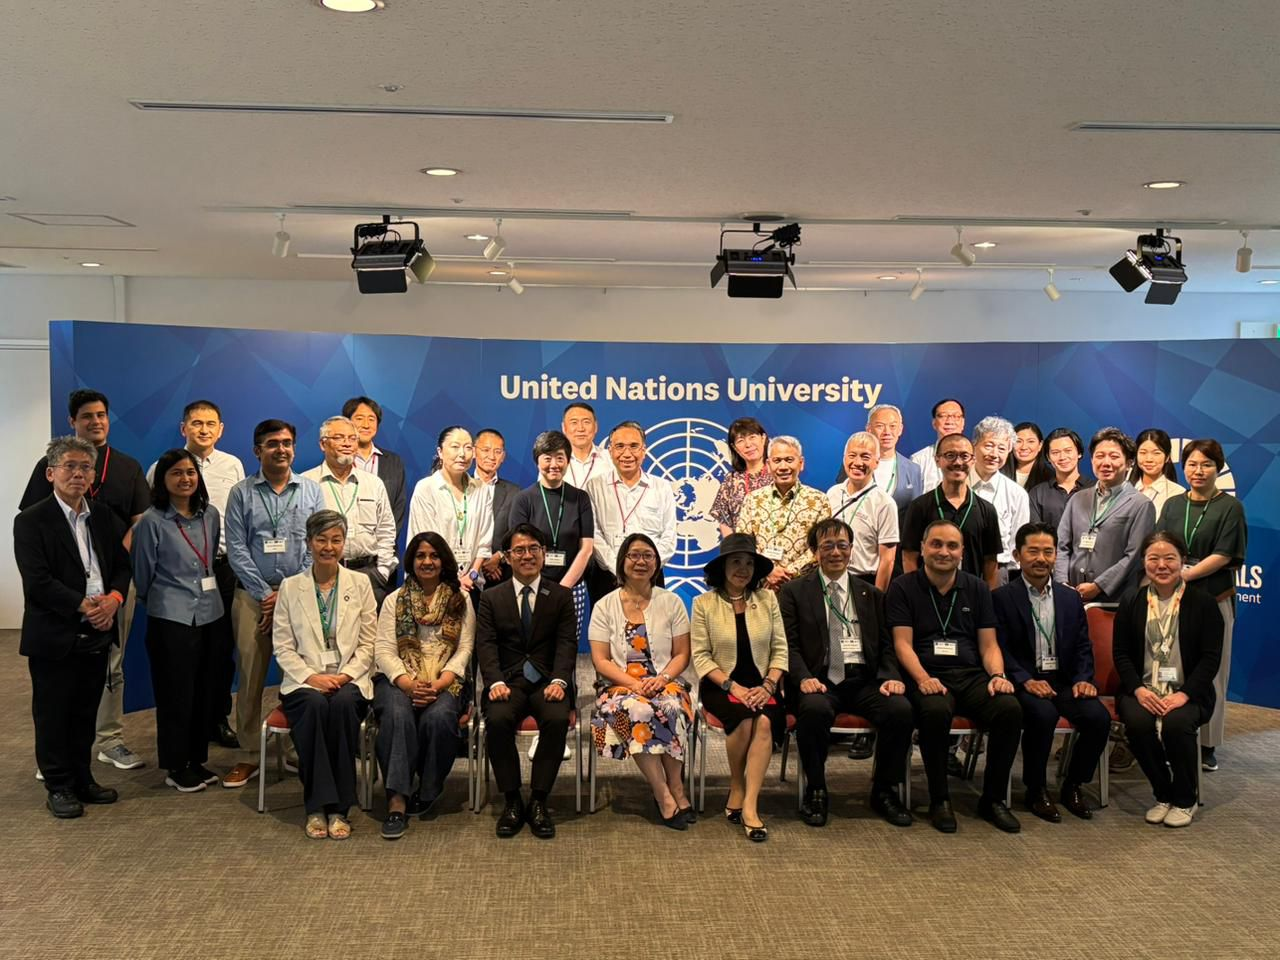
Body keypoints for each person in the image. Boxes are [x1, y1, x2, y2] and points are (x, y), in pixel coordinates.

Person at [20, 389, 150, 773]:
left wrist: (111, 588)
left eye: (101, 415)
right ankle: (55, 762)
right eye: (87, 416)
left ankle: (108, 741)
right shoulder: (48, 469)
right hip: (61, 595)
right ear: (72, 422)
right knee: (56, 683)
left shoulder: (126, 468)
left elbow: (138, 524)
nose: (96, 421)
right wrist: (81, 599)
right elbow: (35, 532)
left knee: (109, 668)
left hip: (111, 587)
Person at [15, 436, 131, 818]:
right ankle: (59, 786)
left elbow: (122, 566)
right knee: (53, 714)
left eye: (85, 467)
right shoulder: (31, 520)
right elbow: (37, 580)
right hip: (55, 633)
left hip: (98, 628)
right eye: (70, 466)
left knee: (85, 711)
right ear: (51, 473)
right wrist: (83, 605)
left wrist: (114, 599)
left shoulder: (102, 516)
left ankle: (83, 778)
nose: (78, 474)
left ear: (93, 475)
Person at [888, 519, 1023, 834]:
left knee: (1009, 708)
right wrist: (922, 679)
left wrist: (998, 675)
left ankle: (993, 799)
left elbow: (989, 644)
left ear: (962, 552)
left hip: (970, 673)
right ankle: (940, 799)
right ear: (922, 548)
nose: (943, 552)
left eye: (952, 546)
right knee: (935, 711)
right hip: (926, 674)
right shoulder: (903, 587)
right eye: (936, 544)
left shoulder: (977, 588)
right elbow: (902, 644)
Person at [778, 518, 914, 828]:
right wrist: (803, 678)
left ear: (851, 549)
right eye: (827, 546)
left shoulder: (871, 594)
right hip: (819, 681)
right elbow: (788, 645)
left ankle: (884, 791)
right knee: (813, 711)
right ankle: (816, 789)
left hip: (863, 680)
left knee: (900, 710)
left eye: (842, 545)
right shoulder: (794, 592)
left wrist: (890, 676)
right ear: (815, 552)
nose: (836, 552)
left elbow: (886, 644)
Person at [222, 419, 326, 788]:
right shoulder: (241, 493)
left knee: (297, 676)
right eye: (272, 444)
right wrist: (266, 595)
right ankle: (250, 753)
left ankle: (296, 748)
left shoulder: (311, 490)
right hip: (253, 598)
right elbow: (236, 548)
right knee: (250, 676)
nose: (281, 449)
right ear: (257, 450)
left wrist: (287, 593)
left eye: (286, 443)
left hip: (299, 598)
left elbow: (317, 543)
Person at [993, 522, 1109, 822]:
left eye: (1048, 552)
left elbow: (1083, 645)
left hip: (1064, 681)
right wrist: (1025, 680)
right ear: (1018, 555)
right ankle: (1036, 789)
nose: (1041, 559)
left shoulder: (1070, 598)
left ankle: (1073, 784)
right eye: (1033, 551)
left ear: (1056, 555)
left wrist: (1083, 679)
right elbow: (1000, 649)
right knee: (1042, 715)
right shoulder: (1002, 598)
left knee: (1098, 717)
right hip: (1024, 681)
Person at [146, 400, 245, 750]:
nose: (204, 429)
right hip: (177, 578)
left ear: (221, 429)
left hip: (222, 569)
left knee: (220, 651)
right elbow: (153, 522)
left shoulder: (233, 465)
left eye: (211, 423)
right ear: (183, 427)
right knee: (183, 659)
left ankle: (216, 718)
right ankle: (186, 729)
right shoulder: (162, 467)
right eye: (197, 423)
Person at [272, 510, 377, 839]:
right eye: (321, 540)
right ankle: (318, 807)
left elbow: (369, 643)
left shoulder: (360, 584)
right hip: (304, 681)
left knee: (343, 705)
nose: (328, 547)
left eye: (336, 540)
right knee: (315, 706)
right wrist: (311, 677)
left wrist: (345, 676)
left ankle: (339, 808)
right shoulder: (291, 587)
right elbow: (283, 647)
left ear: (344, 544)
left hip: (349, 678)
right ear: (309, 543)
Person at [1113, 531, 1223, 828]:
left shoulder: (1203, 603)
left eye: (1169, 558)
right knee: (1138, 723)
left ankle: (1185, 799)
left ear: (1182, 561)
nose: (1161, 565)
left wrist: (1183, 695)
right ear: (1144, 562)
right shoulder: (1132, 601)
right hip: (1142, 689)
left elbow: (1210, 659)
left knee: (1176, 724)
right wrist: (1138, 690)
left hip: (1188, 691)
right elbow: (1121, 653)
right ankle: (1163, 794)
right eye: (1154, 558)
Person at [475, 524, 578, 839]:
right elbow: (486, 645)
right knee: (497, 720)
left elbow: (567, 644)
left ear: (544, 554)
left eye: (534, 549)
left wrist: (560, 680)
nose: (527, 555)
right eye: (519, 550)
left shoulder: (561, 595)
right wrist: (494, 682)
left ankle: (538, 801)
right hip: (507, 682)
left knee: (557, 719)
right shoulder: (491, 597)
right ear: (507, 557)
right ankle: (511, 800)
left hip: (549, 682)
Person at [132, 449, 225, 792]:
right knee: (175, 694)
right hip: (171, 618)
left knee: (204, 691)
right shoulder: (152, 521)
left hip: (210, 613)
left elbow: (210, 559)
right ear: (162, 480)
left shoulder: (209, 515)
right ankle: (175, 765)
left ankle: (196, 759)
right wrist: (161, 598)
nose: (185, 479)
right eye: (176, 473)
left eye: (190, 472)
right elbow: (142, 572)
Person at [373, 532, 474, 839]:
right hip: (399, 678)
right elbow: (384, 650)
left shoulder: (460, 599)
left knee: (439, 717)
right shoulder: (394, 600)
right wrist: (407, 684)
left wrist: (441, 682)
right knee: (397, 715)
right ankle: (397, 801)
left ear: (444, 561)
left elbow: (465, 649)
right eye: (420, 556)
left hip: (446, 679)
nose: (427, 562)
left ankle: (429, 788)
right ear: (411, 561)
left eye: (433, 555)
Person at [588, 533, 694, 829]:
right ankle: (663, 794)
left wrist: (662, 679)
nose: (641, 561)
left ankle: (677, 787)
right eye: (633, 555)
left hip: (664, 681)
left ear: (657, 563)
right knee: (639, 709)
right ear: (622, 562)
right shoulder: (604, 606)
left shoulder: (672, 602)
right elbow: (601, 660)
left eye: (648, 556)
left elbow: (682, 654)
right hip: (618, 687)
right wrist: (634, 685)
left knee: (672, 706)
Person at [1155, 438, 1246, 772]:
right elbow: (1159, 544)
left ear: (1218, 468)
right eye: (1192, 464)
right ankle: (1171, 735)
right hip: (1171, 598)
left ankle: (1207, 744)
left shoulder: (1230, 507)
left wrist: (1185, 574)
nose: (1198, 470)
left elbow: (1225, 554)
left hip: (1212, 599)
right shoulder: (1173, 505)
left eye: (1206, 464)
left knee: (1213, 673)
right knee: (1171, 669)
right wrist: (1169, 573)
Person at [690, 533, 788, 841]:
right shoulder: (704, 604)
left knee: (764, 723)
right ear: (722, 567)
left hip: (763, 685)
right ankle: (736, 784)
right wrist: (734, 687)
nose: (743, 569)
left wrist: (769, 685)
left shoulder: (768, 600)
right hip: (721, 685)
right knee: (744, 720)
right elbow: (701, 656)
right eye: (735, 562)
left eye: (749, 563)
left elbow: (780, 650)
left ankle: (750, 804)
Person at [301, 415, 397, 605]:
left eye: (352, 438)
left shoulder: (373, 483)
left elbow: (386, 529)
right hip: (323, 574)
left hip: (369, 575)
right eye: (339, 438)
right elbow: (299, 533)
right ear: (323, 444)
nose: (347, 443)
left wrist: (383, 571)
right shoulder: (307, 483)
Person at [1054, 427, 1155, 603]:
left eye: (1114, 456)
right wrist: (1062, 582)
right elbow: (1061, 546)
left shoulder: (1141, 505)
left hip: (1115, 600)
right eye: (1099, 456)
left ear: (1129, 463)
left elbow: (1134, 556)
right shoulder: (1077, 499)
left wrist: (1099, 586)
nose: (1106, 462)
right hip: (1071, 596)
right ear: (1092, 460)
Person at [506, 430, 595, 628]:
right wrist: (540, 587)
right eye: (547, 458)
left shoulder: (580, 498)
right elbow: (519, 550)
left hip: (572, 588)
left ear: (568, 461)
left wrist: (562, 590)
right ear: (537, 461)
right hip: (532, 587)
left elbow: (586, 549)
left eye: (560, 458)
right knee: (534, 642)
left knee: (568, 642)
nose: (554, 464)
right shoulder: (523, 499)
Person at [585, 421, 678, 602]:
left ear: (644, 451)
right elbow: (594, 534)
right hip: (608, 576)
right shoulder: (595, 486)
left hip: (651, 576)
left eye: (634, 446)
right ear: (610, 451)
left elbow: (669, 537)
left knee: (652, 621)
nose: (627, 454)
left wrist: (646, 565)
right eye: (620, 446)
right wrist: (619, 567)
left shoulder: (662, 487)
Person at [901, 434, 1001, 588]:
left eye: (964, 456)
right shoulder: (919, 507)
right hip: (928, 595)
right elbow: (909, 557)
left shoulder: (987, 510)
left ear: (973, 460)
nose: (958, 462)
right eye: (950, 455)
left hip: (971, 595)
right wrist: (916, 594)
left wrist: (989, 597)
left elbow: (991, 563)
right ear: (937, 460)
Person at [736, 436, 831, 592]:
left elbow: (823, 545)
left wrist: (788, 573)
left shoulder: (819, 500)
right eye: (777, 461)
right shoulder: (752, 499)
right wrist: (767, 570)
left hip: (803, 589)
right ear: (768, 465)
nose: (783, 467)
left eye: (789, 460)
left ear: (801, 463)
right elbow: (742, 543)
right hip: (760, 589)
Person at [407, 426, 494, 591]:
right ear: (440, 452)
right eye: (455, 447)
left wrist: (472, 574)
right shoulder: (426, 488)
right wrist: (453, 580)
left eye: (468, 448)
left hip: (471, 584)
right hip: (434, 583)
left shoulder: (482, 490)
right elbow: (426, 542)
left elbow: (485, 542)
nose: (462, 454)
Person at [824, 431, 898, 593]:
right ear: (844, 459)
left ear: (876, 462)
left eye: (865, 457)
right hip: (830, 580)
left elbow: (887, 560)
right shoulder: (832, 494)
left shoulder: (884, 503)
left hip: (864, 583)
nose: (857, 463)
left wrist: (877, 598)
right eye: (852, 455)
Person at [969, 416, 1030, 586]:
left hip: (999, 570)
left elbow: (1017, 541)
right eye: (989, 445)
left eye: (1002, 448)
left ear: (1009, 451)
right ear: (974, 445)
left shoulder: (1017, 494)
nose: (994, 454)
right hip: (958, 567)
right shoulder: (956, 484)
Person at [343, 396, 408, 534]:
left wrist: (385, 541)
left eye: (371, 419)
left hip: (384, 543)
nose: (366, 425)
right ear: (347, 422)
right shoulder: (339, 460)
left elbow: (398, 506)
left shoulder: (393, 462)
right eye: (359, 418)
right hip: (345, 541)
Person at [710, 416, 772, 538]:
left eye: (752, 437)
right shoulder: (731, 480)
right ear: (735, 448)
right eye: (740, 441)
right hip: (740, 547)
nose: (748, 444)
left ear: (763, 438)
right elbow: (724, 520)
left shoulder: (778, 474)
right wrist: (734, 547)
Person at [474, 428, 520, 584]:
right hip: (463, 573)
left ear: (503, 457)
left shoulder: (514, 492)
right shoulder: (460, 488)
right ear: (474, 451)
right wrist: (477, 565)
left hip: (500, 574)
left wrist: (499, 557)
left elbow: (517, 533)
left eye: (497, 451)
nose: (492, 457)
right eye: (486, 450)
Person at [1027, 427, 1093, 533]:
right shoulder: (1037, 493)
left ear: (1079, 453)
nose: (1062, 457)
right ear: (1048, 457)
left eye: (1068, 451)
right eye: (1055, 452)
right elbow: (1035, 534)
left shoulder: (1097, 489)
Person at [866, 403, 924, 512]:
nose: (887, 432)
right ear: (869, 429)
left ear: (900, 429)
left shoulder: (913, 469)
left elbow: (917, 510)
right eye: (880, 426)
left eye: (892, 426)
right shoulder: (856, 464)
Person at [909, 398, 965, 492]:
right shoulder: (919, 460)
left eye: (956, 416)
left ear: (963, 422)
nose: (949, 421)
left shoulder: (974, 458)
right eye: (943, 416)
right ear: (934, 423)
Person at [1131, 428, 1186, 516]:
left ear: (1167, 457)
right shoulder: (1125, 489)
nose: (1149, 459)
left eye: (1156, 453)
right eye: (1143, 452)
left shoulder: (1177, 493)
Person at [562, 401, 613, 488]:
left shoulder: (610, 459)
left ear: (595, 427)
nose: (580, 428)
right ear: (564, 428)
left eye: (586, 422)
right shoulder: (555, 461)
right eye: (574, 422)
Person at [1001, 421, 1054, 490]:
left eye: (1031, 441)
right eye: (1018, 441)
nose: (1024, 447)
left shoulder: (1050, 478)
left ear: (1040, 445)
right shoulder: (998, 473)